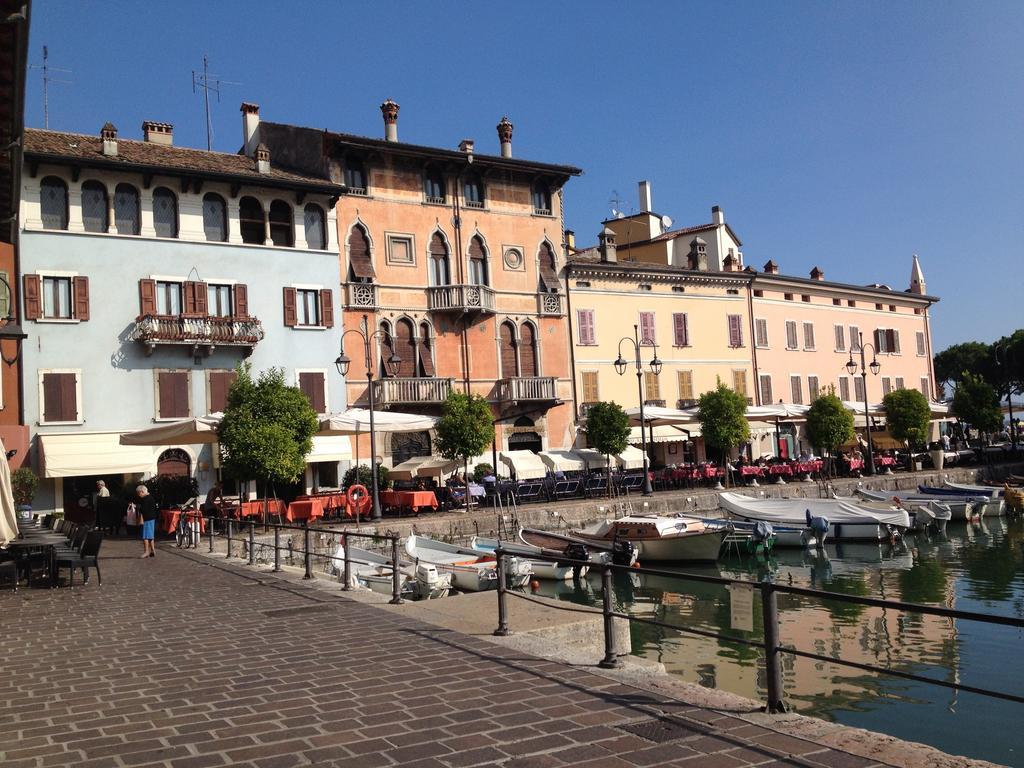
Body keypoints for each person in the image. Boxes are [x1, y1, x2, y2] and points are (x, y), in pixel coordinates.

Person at [136, 484, 158, 558]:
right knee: (150, 536)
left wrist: (138, 508)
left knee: (145, 536)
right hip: (152, 518)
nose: (139, 495)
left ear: (142, 492)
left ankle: (146, 552)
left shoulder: (145, 499)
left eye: (139, 493)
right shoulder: (151, 498)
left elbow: (143, 510)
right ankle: (153, 550)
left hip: (147, 519)